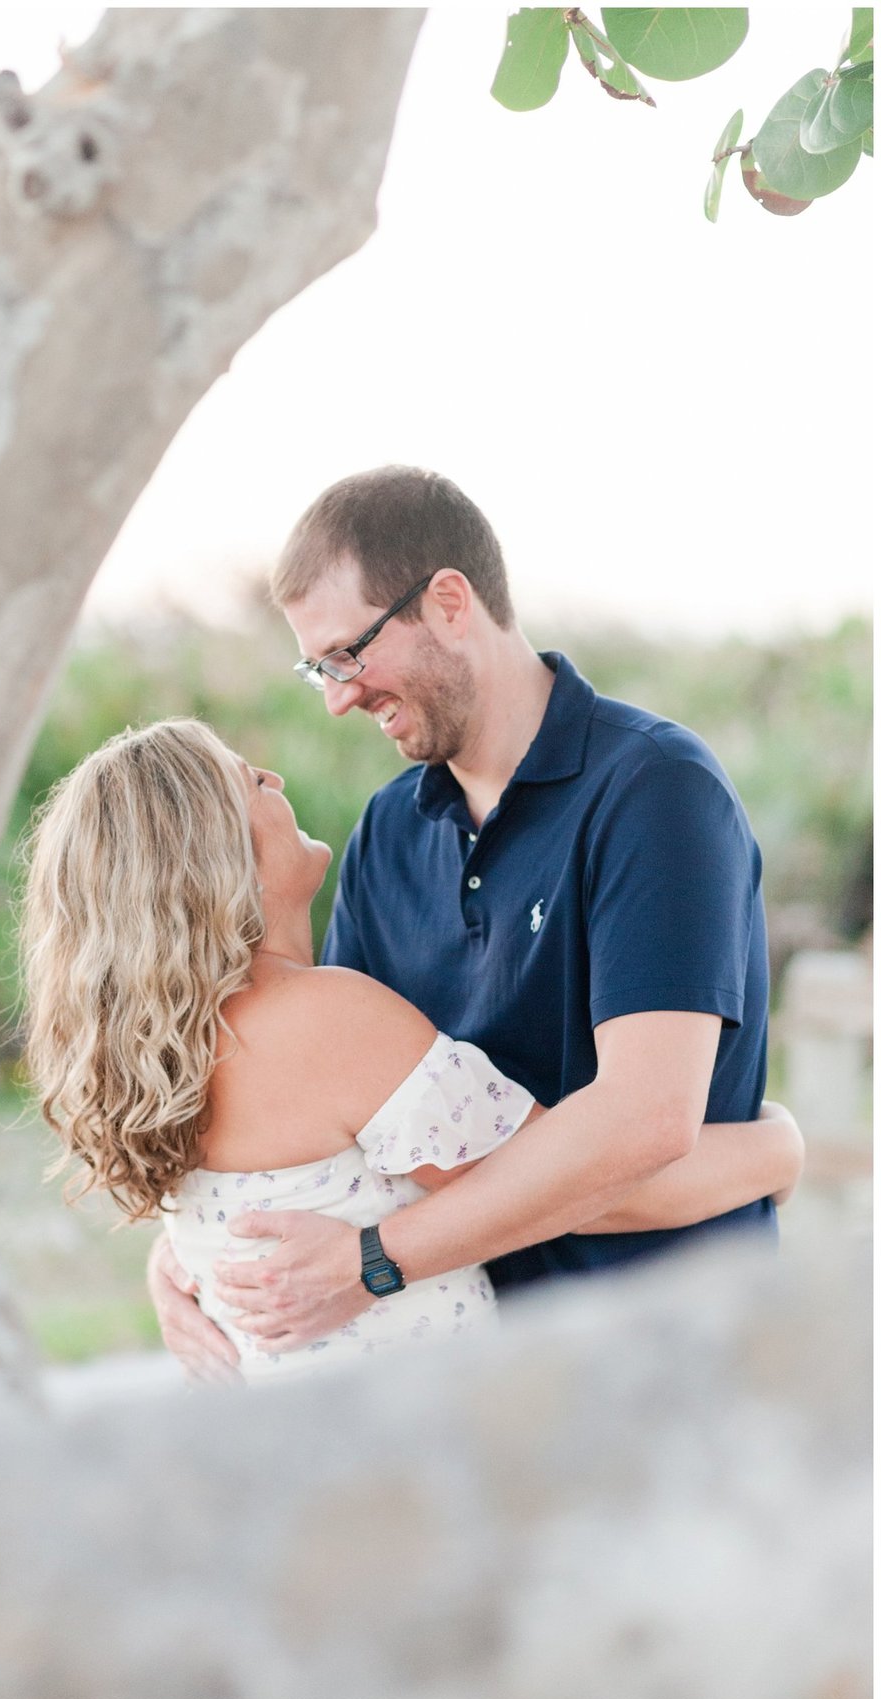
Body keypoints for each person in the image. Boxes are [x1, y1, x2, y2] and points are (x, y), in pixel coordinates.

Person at [147, 467, 790, 1378]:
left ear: (449, 602)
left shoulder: (654, 791)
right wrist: (187, 1250)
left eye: (347, 654)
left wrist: (376, 1260)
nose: (336, 697)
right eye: (317, 669)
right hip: (479, 1376)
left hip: (670, 1362)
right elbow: (347, 1126)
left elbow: (644, 1121)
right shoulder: (387, 833)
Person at [19, 717, 801, 1385]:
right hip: (415, 1449)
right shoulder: (321, 1022)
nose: (272, 775)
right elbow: (581, 1184)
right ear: (208, 852)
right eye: (243, 780)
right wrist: (780, 1149)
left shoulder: (180, 1049)